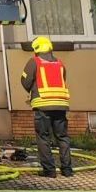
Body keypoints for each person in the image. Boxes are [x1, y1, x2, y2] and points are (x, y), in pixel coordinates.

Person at [21, 36, 72, 177]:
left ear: (36, 49)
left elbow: (25, 81)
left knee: (43, 137)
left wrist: (33, 90)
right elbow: (63, 79)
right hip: (61, 105)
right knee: (62, 137)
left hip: (42, 105)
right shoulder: (60, 64)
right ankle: (67, 170)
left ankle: (49, 171)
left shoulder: (34, 62)